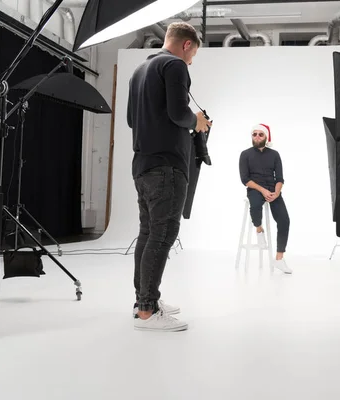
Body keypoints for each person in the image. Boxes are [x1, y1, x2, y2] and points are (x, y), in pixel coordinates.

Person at [127, 22, 212, 331]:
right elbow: (179, 114)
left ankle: (144, 300)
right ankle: (147, 312)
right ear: (187, 45)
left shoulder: (140, 70)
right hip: (167, 167)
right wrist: (198, 121)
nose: (191, 62)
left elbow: (129, 119)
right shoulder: (175, 65)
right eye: (193, 55)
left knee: (149, 233)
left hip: (143, 165)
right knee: (162, 235)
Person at [239, 124, 292, 274]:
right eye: (254, 134)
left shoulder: (274, 154)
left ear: (266, 137)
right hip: (255, 188)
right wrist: (262, 190)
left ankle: (279, 259)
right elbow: (245, 179)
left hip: (273, 190)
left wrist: (276, 192)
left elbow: (280, 178)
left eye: (260, 134)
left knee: (284, 220)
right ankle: (259, 230)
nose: (256, 137)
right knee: (255, 206)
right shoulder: (245, 154)